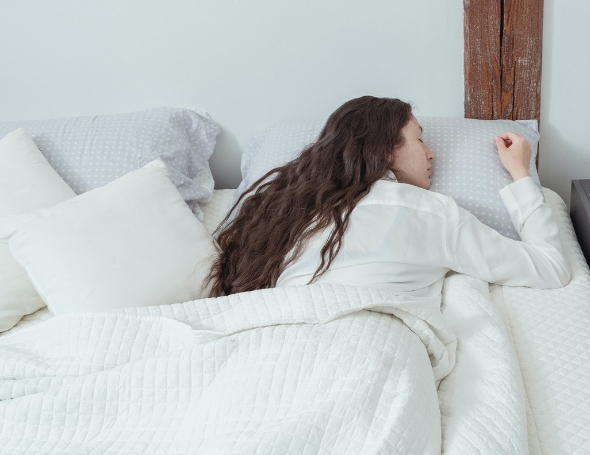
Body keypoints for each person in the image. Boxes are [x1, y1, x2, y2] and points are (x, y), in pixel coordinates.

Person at [206, 96, 571, 298]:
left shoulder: (283, 214)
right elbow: (551, 268)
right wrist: (521, 174)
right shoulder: (429, 213)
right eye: (420, 139)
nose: (432, 154)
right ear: (385, 148)